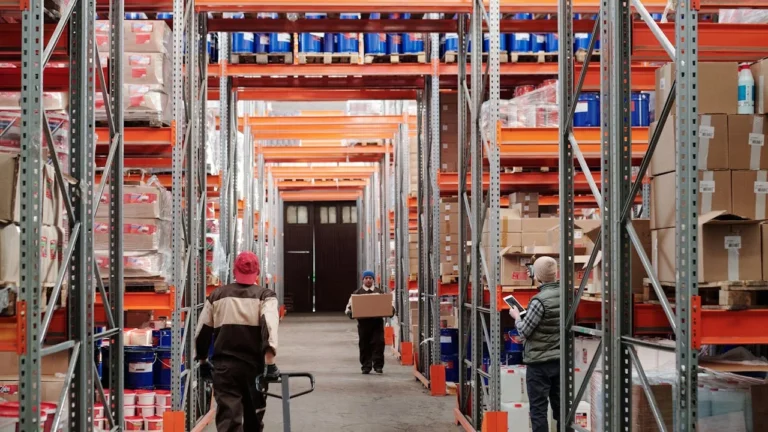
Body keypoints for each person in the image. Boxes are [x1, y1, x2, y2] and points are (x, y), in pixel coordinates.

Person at [195, 251, 280, 432]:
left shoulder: (217, 295)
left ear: (234, 271)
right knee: (254, 417)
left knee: (228, 418)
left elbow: (202, 331)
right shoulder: (266, 296)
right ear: (258, 272)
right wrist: (270, 362)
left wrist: (202, 360)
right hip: (254, 368)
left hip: (225, 369)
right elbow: (269, 326)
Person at [509, 256, 561, 432]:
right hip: (560, 361)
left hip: (539, 364)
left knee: (538, 410)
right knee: (562, 409)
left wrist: (517, 317)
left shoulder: (539, 301)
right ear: (556, 273)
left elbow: (524, 332)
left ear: (536, 275)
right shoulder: (567, 295)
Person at [345, 270, 394, 374]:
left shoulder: (379, 292)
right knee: (364, 345)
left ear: (373, 280)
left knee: (378, 344)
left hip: (377, 324)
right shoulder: (357, 293)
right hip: (363, 324)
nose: (368, 280)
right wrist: (350, 313)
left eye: (370, 278)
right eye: (366, 278)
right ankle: (366, 366)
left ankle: (378, 366)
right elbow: (348, 307)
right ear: (363, 280)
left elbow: (389, 305)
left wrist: (391, 310)